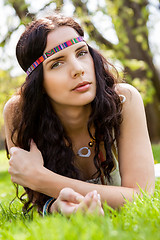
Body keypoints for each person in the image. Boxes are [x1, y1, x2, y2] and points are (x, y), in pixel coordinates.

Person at [3, 13, 155, 216]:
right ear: (38, 83)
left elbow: (141, 197)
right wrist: (56, 208)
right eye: (57, 63)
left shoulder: (123, 100)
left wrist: (40, 178)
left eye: (81, 53)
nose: (78, 69)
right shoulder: (19, 113)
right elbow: (41, 201)